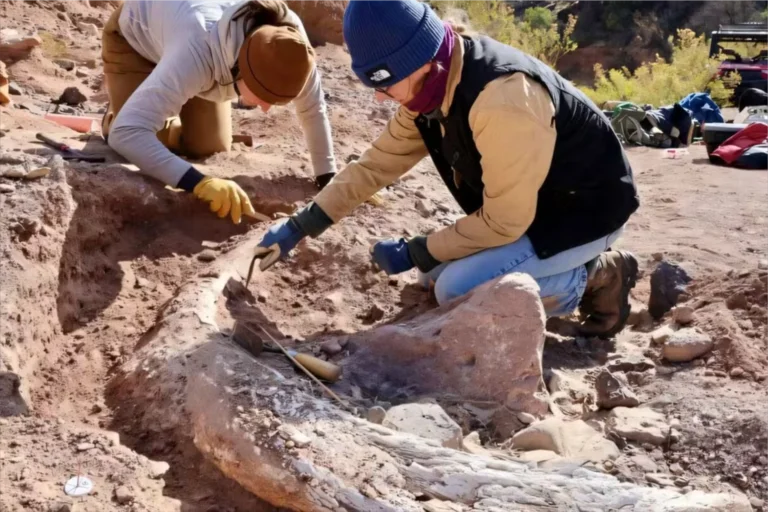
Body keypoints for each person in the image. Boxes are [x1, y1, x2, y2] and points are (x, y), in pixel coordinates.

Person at [258, 0, 641, 338]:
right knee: (432, 276)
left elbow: (505, 221)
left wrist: (417, 249)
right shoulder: (431, 90)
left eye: (385, 83)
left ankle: (598, 275)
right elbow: (374, 167)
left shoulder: (502, 99)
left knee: (456, 290)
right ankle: (547, 273)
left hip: (584, 214)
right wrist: (302, 225)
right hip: (532, 206)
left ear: (421, 63)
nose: (380, 95)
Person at [101, 0, 338, 224]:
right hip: (136, 43)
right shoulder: (197, 49)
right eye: (265, 98)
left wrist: (329, 177)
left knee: (208, 146)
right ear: (242, 70)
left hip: (187, 56)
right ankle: (115, 117)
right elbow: (128, 132)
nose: (266, 110)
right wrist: (199, 183)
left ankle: (165, 101)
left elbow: (313, 109)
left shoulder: (292, 48)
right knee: (138, 136)